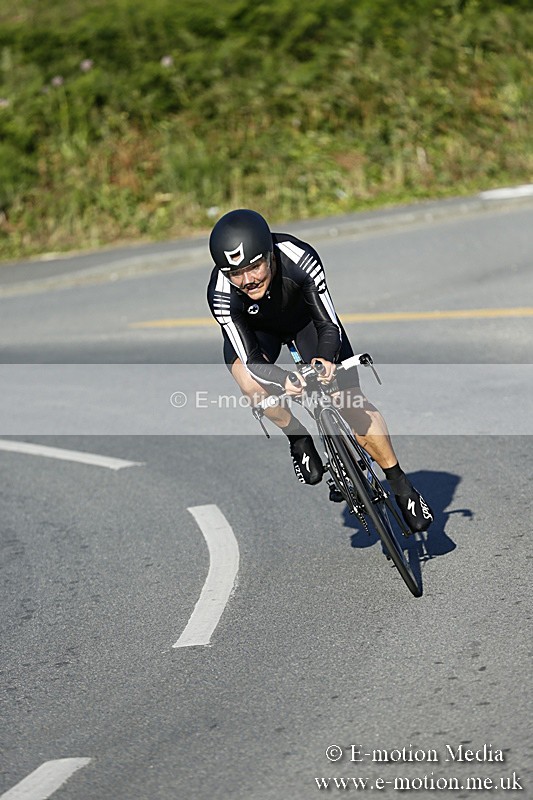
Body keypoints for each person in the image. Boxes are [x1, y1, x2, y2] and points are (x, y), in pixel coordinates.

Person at [206, 208, 433, 533]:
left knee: (350, 401)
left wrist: (326, 361)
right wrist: (286, 380)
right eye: (235, 273)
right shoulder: (220, 292)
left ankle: (400, 485)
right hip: (258, 336)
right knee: (251, 386)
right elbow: (253, 359)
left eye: (254, 266)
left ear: (270, 254)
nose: (247, 280)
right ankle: (298, 438)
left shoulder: (300, 257)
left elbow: (328, 324)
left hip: (307, 322)